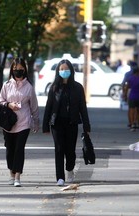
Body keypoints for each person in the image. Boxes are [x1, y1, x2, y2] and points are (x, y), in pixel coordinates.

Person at [42, 59, 91, 187]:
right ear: (58, 71)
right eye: (61, 69)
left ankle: (69, 169)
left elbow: (82, 108)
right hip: (57, 123)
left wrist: (87, 125)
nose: (64, 71)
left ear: (71, 70)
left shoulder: (78, 87)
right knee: (59, 149)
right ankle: (60, 177)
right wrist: (45, 125)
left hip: (72, 123)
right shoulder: (54, 88)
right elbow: (49, 107)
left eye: (66, 69)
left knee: (70, 150)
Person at [0, 57, 39, 187]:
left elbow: (34, 106)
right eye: (15, 69)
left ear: (25, 70)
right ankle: (11, 172)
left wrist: (36, 122)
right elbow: (0, 101)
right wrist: (9, 104)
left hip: (24, 122)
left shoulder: (29, 87)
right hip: (9, 123)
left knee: (19, 149)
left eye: (21, 69)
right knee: (10, 149)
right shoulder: (7, 85)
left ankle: (17, 176)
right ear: (12, 70)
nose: (18, 72)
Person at [124, 62, 139, 132]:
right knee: (138, 110)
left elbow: (127, 87)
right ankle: (137, 123)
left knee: (131, 110)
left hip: (132, 96)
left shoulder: (130, 78)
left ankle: (131, 124)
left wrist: (125, 94)